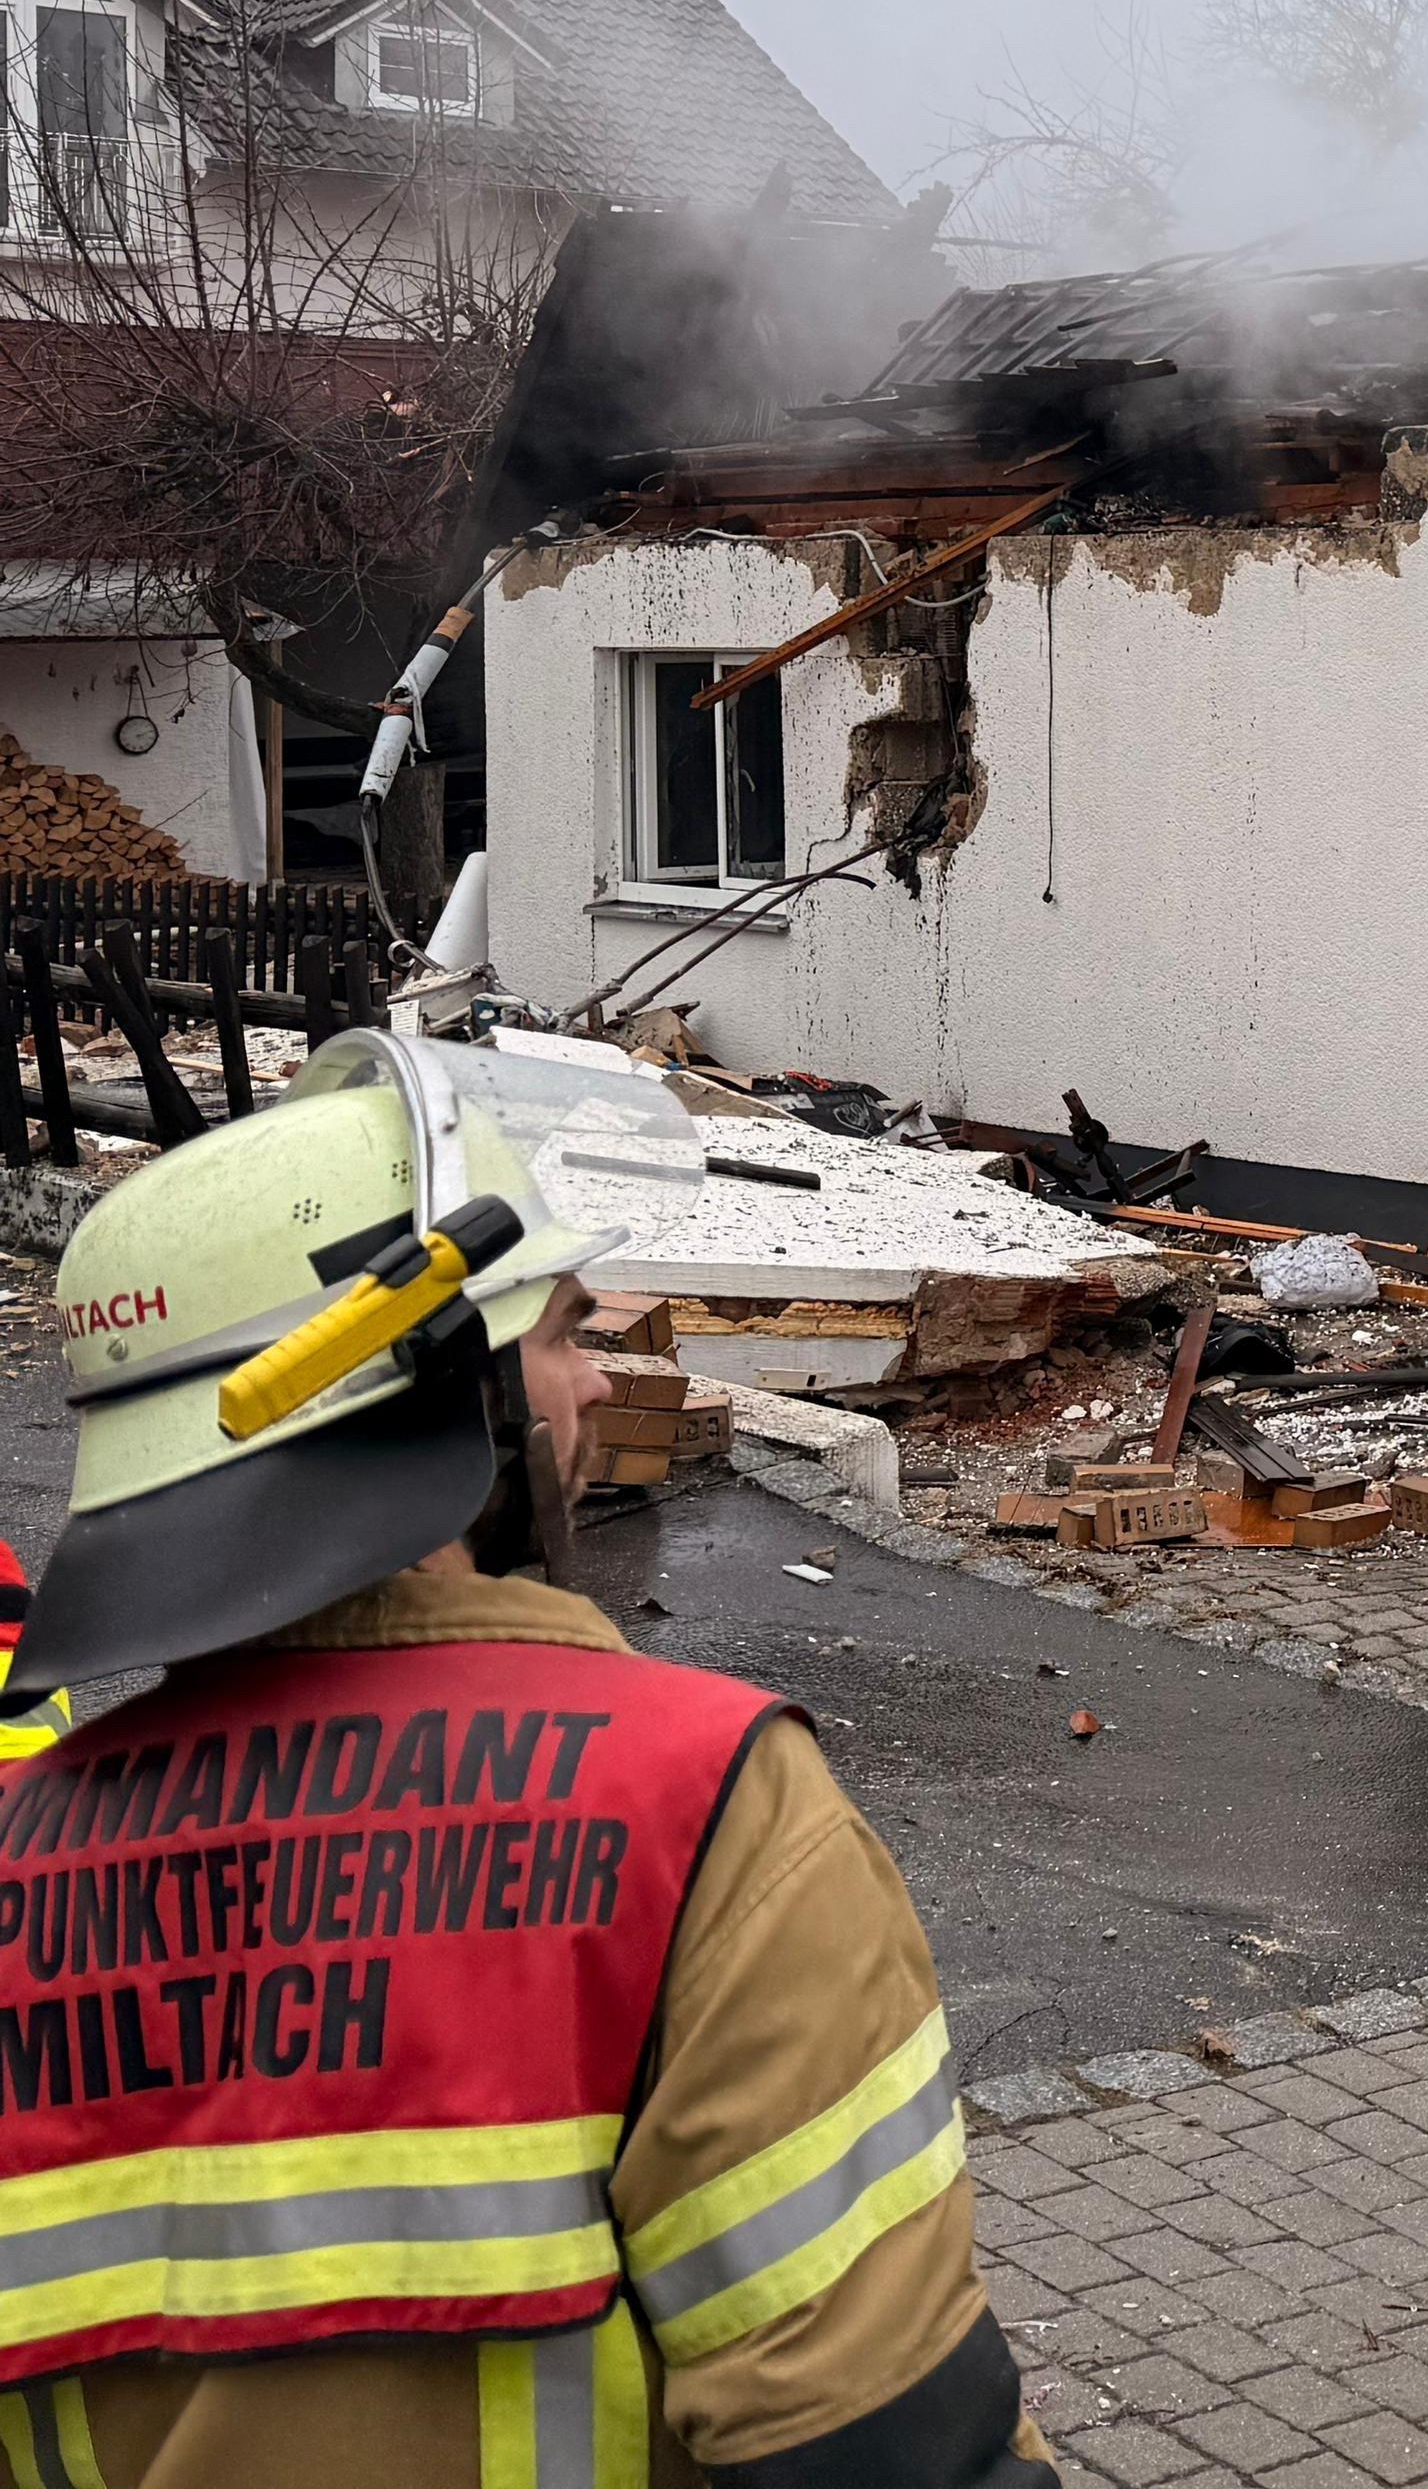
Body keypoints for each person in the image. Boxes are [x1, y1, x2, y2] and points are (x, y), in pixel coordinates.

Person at [0, 1035, 1054, 2484]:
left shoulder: (18, 1863)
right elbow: (881, 2445)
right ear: (450, 1389)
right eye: (559, 1334)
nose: (590, 1388)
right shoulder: (703, 1814)